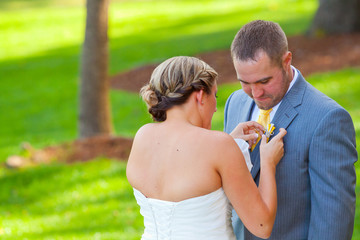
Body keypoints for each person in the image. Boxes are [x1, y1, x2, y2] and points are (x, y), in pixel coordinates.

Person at [126, 56, 287, 240]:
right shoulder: (219, 146)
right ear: (201, 95)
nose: (216, 108)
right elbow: (261, 225)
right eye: (215, 96)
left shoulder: (143, 136)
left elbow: (182, 163)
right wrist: (268, 162)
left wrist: (229, 144)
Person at [224, 20, 357, 240]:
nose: (255, 93)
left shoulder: (327, 119)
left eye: (264, 81)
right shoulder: (235, 102)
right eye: (244, 82)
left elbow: (333, 221)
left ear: (286, 61)